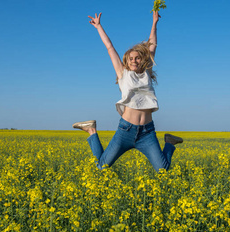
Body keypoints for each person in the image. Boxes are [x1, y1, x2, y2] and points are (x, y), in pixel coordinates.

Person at [73, 11, 183, 172]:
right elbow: (110, 47)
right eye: (130, 58)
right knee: (102, 167)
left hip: (147, 132)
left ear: (142, 60)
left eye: (137, 58)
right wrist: (98, 26)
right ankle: (91, 130)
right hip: (126, 130)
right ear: (126, 61)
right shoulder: (123, 74)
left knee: (162, 171)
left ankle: (170, 143)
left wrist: (154, 23)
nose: (133, 60)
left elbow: (152, 46)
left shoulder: (147, 73)